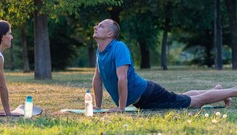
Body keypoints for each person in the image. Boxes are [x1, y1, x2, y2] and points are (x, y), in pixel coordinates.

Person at [92, 19, 236, 113]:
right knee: (181, 97)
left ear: (110, 33)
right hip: (144, 97)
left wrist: (121, 108)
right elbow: (97, 80)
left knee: (195, 102)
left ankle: (233, 91)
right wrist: (97, 107)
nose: (96, 27)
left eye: (101, 26)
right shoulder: (101, 51)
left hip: (149, 95)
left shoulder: (119, 47)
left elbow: (122, 79)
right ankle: (217, 91)